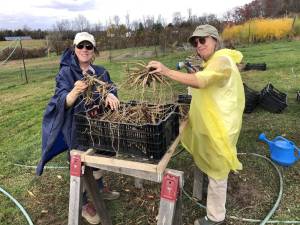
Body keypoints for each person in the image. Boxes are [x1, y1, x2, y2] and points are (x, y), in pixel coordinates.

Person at [147, 24, 245, 225]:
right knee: (212, 164)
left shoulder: (223, 61)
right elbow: (204, 81)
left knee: (218, 170)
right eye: (195, 42)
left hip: (220, 127)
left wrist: (165, 71)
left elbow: (201, 82)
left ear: (215, 40)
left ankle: (216, 217)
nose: (198, 45)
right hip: (213, 123)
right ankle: (210, 191)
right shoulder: (214, 61)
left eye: (203, 40)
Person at [36, 32, 120, 224]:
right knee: (80, 164)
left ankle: (99, 188)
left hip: (99, 126)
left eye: (88, 46)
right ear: (74, 48)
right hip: (77, 128)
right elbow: (61, 102)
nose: (84, 50)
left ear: (94, 50)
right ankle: (82, 204)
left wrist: (111, 94)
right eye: (80, 46)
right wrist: (74, 92)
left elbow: (110, 87)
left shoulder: (100, 71)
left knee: (100, 157)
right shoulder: (66, 73)